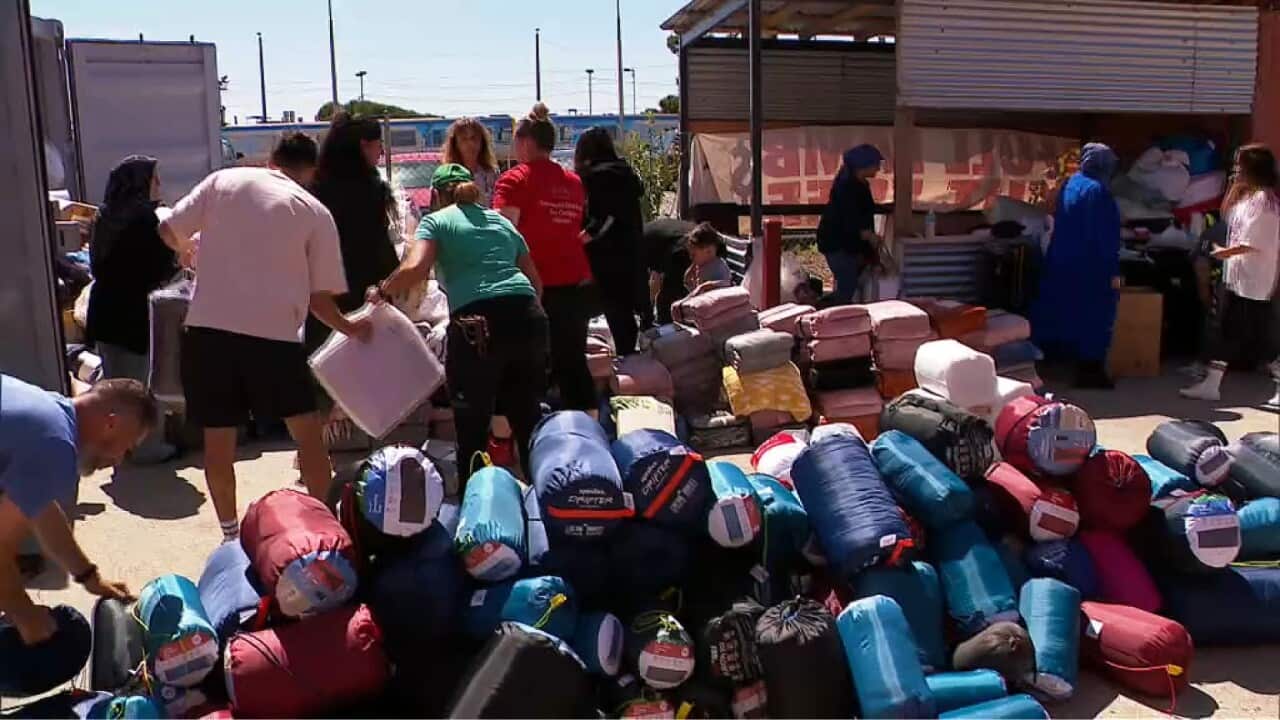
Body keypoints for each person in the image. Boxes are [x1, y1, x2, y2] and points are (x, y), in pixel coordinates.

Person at [157, 133, 371, 543]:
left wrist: (189, 251)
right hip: (275, 338)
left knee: (218, 441)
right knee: (308, 436)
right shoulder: (315, 211)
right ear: (311, 172)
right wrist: (351, 328)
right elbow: (319, 301)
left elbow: (169, 229)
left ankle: (229, 535)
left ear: (272, 159)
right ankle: (327, 525)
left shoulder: (224, 181)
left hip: (209, 331)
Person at [376, 164, 548, 483]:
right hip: (528, 316)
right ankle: (541, 499)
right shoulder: (501, 222)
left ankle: (477, 501)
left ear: (437, 195)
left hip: (477, 324)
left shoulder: (437, 221)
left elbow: (415, 268)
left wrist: (382, 291)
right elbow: (535, 282)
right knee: (527, 418)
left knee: (472, 425)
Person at [1, 375, 149, 679]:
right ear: (111, 423)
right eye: (127, 447)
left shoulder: (49, 412)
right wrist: (24, 613)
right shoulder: (56, 446)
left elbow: (39, 508)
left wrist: (88, 576)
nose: (119, 459)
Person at [493, 103, 594, 412]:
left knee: (526, 366)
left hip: (532, 285)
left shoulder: (514, 181)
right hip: (575, 281)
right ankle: (590, 434)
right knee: (574, 362)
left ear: (524, 142)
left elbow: (504, 234)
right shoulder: (574, 183)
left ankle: (525, 440)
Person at [85, 156, 178, 463]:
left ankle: (113, 447)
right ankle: (146, 448)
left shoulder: (104, 215)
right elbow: (158, 268)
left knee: (113, 387)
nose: (159, 186)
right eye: (155, 180)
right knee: (142, 389)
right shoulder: (147, 220)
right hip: (134, 314)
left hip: (105, 311)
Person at [1180, 143, 1280, 408]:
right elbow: (1229, 216)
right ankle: (1211, 385)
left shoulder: (1266, 205)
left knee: (1260, 339)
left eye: (1240, 166)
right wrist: (1234, 188)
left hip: (1254, 281)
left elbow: (1252, 241)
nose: (1236, 170)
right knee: (1226, 332)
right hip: (1237, 278)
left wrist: (1224, 252)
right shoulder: (1249, 199)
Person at [305, 113, 400, 356]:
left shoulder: (314, 187)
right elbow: (377, 244)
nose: (381, 153)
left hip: (321, 297)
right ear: (363, 146)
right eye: (379, 145)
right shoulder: (369, 189)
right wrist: (391, 283)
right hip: (363, 292)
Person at [1031, 142, 1123, 389]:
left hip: (1062, 258)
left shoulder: (1071, 184)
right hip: (1091, 264)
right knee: (1095, 317)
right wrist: (1113, 270)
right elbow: (1105, 235)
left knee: (1061, 312)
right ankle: (1090, 372)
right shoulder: (1098, 191)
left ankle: (1053, 364)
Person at [575, 127, 645, 355]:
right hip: (629, 252)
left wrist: (583, 239)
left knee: (581, 310)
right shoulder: (625, 174)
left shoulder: (598, 177)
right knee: (622, 316)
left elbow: (603, 216)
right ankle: (630, 364)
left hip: (603, 257)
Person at [817, 144, 884, 304]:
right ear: (864, 165)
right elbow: (848, 221)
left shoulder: (859, 185)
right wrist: (867, 236)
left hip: (848, 245)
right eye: (876, 164)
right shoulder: (846, 188)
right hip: (838, 244)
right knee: (846, 288)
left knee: (849, 286)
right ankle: (821, 312)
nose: (878, 168)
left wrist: (870, 251)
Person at [644, 217, 696, 324]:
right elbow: (655, 278)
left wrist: (647, 311)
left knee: (670, 297)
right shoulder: (646, 234)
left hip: (685, 245)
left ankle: (667, 326)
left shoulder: (638, 247)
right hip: (702, 237)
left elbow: (654, 280)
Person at [441, 117, 500, 206]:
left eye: (474, 138)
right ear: (455, 144)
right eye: (464, 139)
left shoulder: (491, 173)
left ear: (482, 141)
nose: (470, 144)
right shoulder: (447, 175)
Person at [683, 222, 733, 291]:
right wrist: (689, 280)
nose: (690, 258)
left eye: (693, 255)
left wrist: (709, 285)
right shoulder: (701, 264)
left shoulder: (718, 268)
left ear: (708, 251)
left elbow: (727, 284)